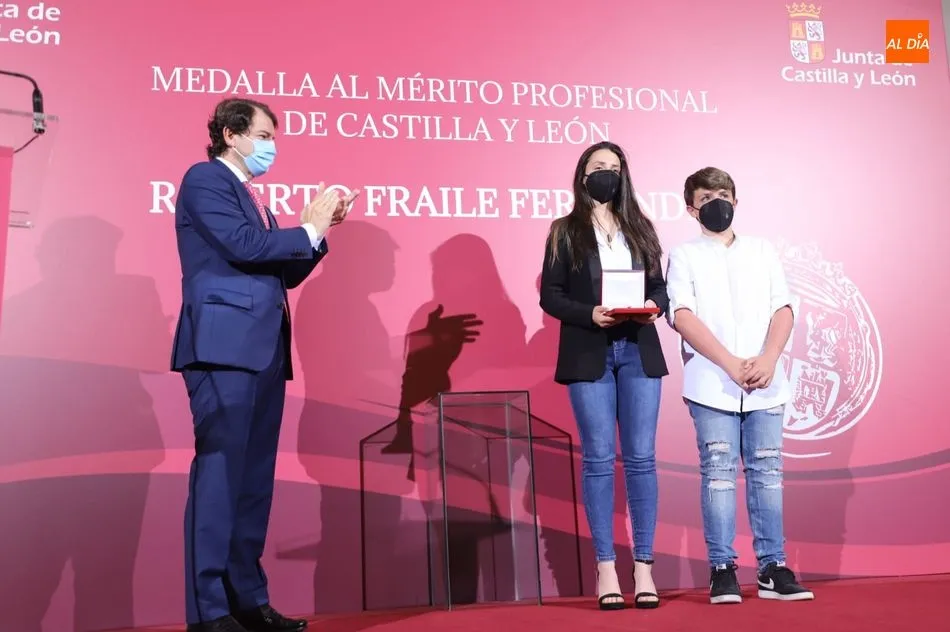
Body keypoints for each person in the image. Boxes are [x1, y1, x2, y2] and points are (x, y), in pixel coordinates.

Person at [170, 97, 360, 632]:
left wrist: (320, 232)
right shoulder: (206, 179)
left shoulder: (255, 199)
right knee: (220, 476)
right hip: (222, 348)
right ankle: (209, 612)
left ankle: (248, 600)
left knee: (253, 482)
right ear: (231, 135)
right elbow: (243, 246)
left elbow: (282, 272)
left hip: (265, 350)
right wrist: (307, 229)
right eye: (263, 135)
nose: (271, 147)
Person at [665, 166, 814, 604]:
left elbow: (783, 307)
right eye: (706, 198)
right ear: (691, 209)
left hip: (766, 380)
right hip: (712, 382)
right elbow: (682, 315)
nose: (717, 204)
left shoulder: (762, 250)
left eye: (723, 195)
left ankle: (773, 567)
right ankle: (722, 569)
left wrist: (768, 359)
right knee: (718, 473)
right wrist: (730, 363)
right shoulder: (683, 255)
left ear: (736, 200)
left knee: (768, 473)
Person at [539, 141, 669, 610]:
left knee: (642, 460)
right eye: (599, 167)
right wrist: (590, 314)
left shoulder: (641, 228)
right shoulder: (564, 231)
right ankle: (606, 567)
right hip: (589, 351)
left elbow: (659, 288)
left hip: (638, 350)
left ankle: (644, 567)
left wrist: (654, 306)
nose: (607, 174)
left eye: (614, 168)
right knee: (597, 458)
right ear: (583, 175)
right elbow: (551, 296)